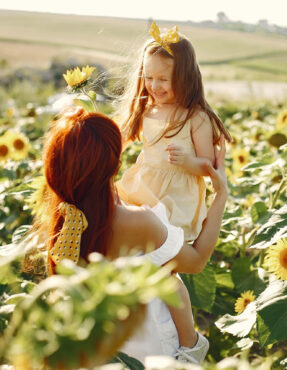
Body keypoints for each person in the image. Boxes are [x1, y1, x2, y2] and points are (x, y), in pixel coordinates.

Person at [40, 108, 228, 363]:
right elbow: (195, 261)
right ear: (115, 164)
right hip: (149, 352)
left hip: (95, 353)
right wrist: (220, 194)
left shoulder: (62, 217)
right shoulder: (137, 222)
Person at [115, 21, 231, 360]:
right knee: (137, 258)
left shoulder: (195, 117)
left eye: (163, 79)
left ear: (185, 76)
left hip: (175, 197)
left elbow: (210, 169)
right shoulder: (147, 109)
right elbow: (127, 141)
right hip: (141, 188)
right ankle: (141, 331)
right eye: (149, 78)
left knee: (166, 268)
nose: (154, 85)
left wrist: (188, 163)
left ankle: (189, 343)